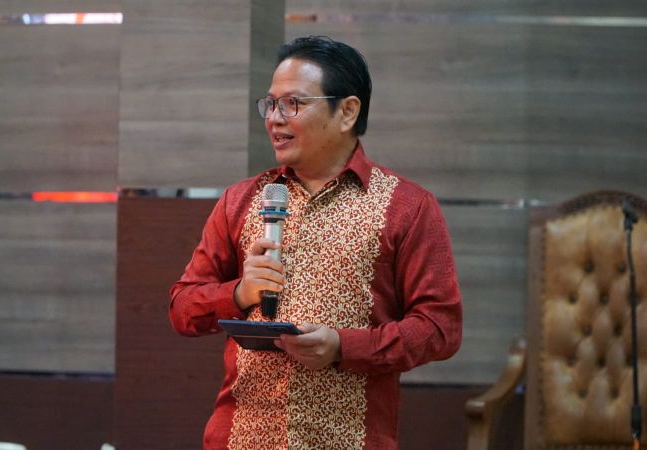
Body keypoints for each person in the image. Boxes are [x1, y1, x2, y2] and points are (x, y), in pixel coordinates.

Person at [170, 35, 462, 450]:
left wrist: (344, 346)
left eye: (293, 103)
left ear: (347, 111)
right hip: (241, 438)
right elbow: (182, 308)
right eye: (271, 104)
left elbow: (439, 328)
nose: (275, 119)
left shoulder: (407, 207)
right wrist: (239, 293)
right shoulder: (241, 200)